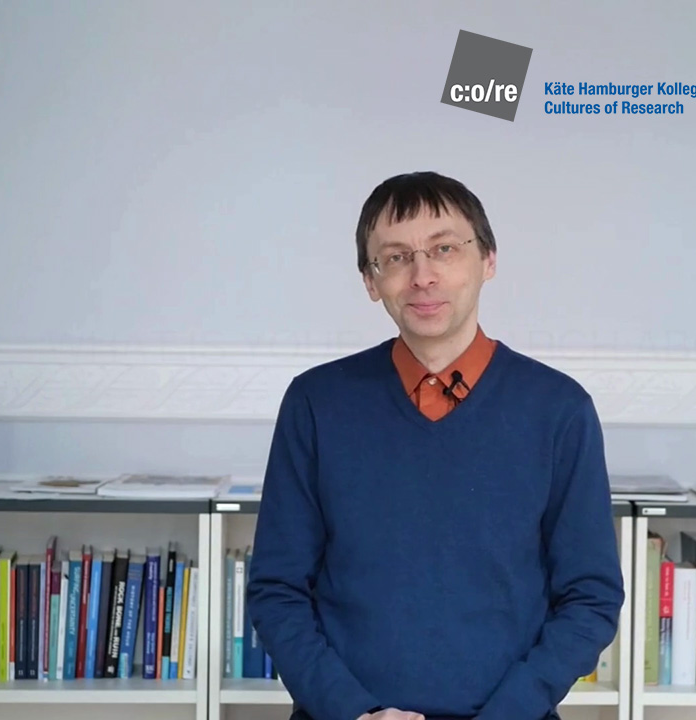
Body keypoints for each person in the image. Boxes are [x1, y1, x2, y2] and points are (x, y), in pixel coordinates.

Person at [245, 171, 624, 720]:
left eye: (444, 249)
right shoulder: (315, 403)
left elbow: (590, 598)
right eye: (395, 257)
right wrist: (353, 711)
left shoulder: (560, 410)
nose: (422, 276)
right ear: (371, 281)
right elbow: (277, 590)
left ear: (488, 260)